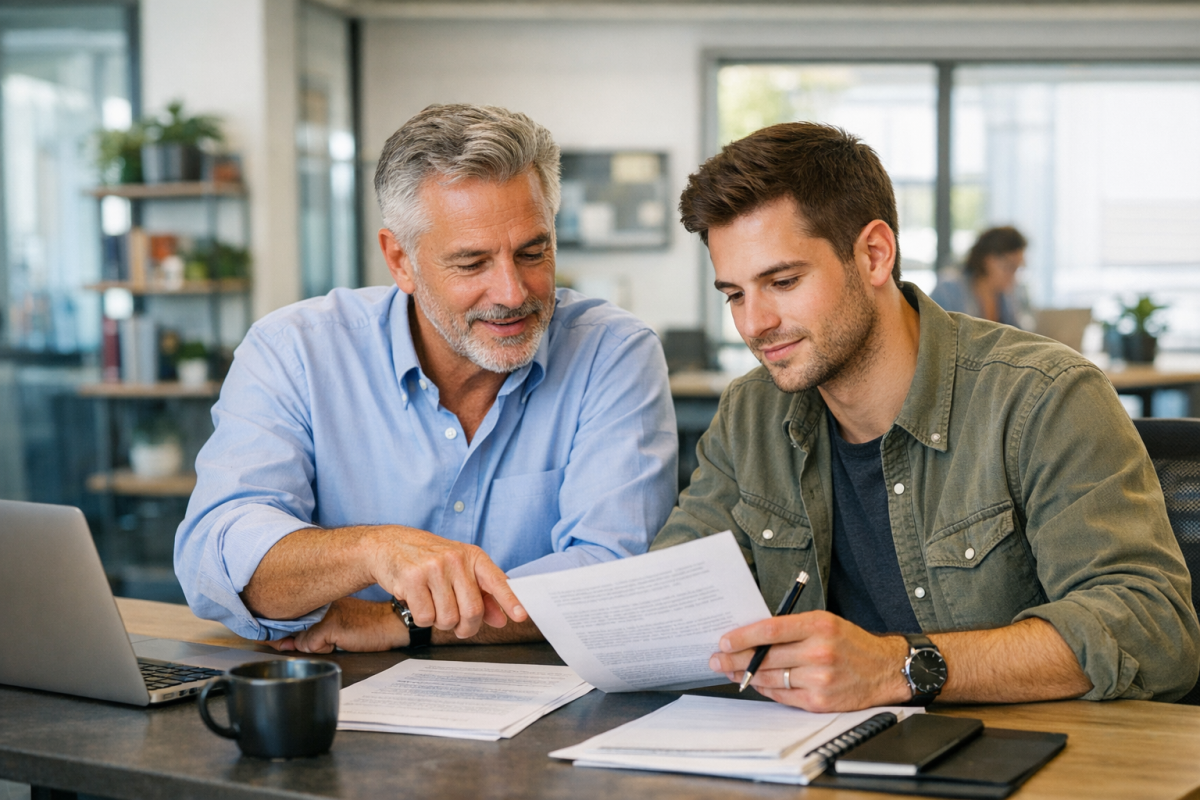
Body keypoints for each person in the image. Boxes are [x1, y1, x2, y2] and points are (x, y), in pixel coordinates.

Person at [651, 122, 1199, 711]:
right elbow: (666, 596)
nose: (753, 323)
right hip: (807, 755)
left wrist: (900, 668)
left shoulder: (1042, 398)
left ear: (874, 254)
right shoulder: (750, 414)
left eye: (782, 281)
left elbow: (1152, 627)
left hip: (1021, 756)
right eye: (734, 294)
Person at [175, 104, 678, 652]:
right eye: (472, 264)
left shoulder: (613, 351)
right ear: (400, 260)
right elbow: (218, 559)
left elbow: (612, 576)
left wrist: (398, 621)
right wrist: (375, 550)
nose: (513, 293)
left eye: (533, 252)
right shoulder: (293, 352)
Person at [931, 226, 1030, 328]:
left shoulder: (1007, 296)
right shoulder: (949, 290)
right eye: (1009, 267)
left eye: (1017, 268)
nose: (1013, 276)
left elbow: (1021, 336)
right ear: (987, 260)